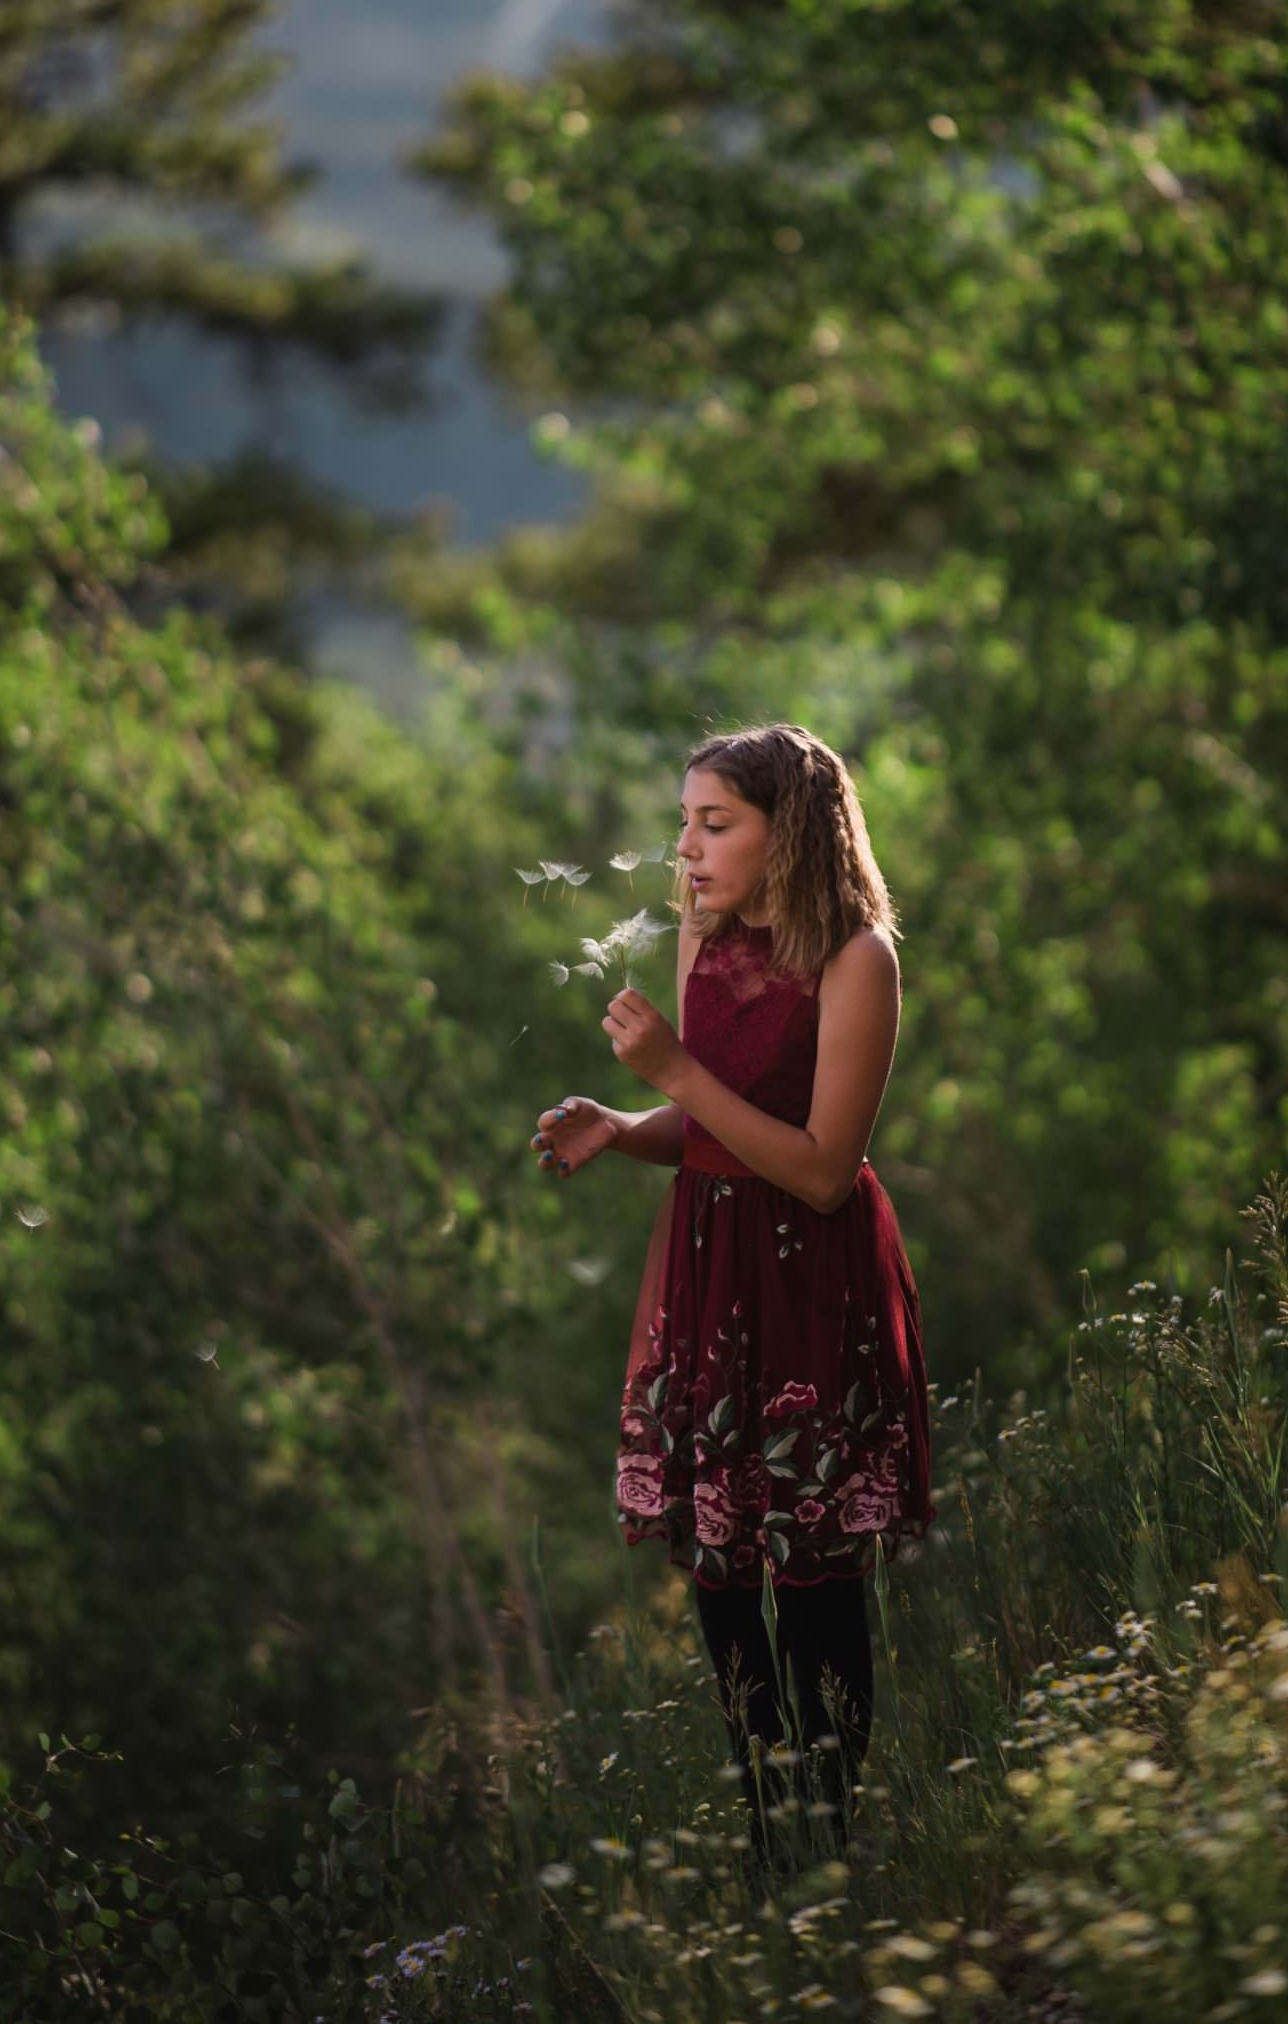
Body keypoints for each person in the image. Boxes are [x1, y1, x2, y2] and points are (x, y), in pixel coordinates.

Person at [529, 721, 936, 1889]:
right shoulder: (704, 938)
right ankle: (771, 1842)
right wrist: (624, 1128)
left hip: (809, 1278)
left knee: (811, 1575)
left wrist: (669, 1077)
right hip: (710, 1267)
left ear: (788, 830)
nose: (687, 850)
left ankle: (833, 1838)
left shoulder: (858, 959)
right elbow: (715, 1131)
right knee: (720, 1572)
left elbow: (815, 1164)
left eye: (715, 824)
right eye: (684, 823)